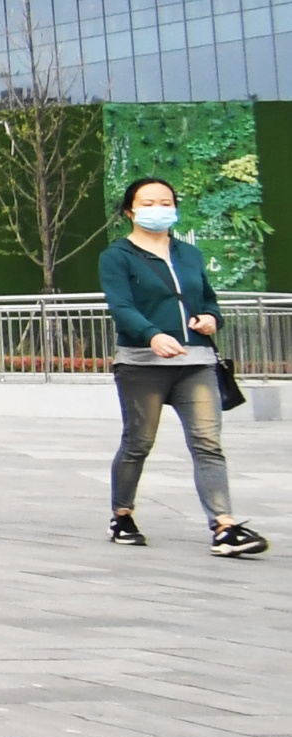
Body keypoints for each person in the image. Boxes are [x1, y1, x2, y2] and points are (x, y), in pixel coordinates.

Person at [102, 175, 266, 557]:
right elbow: (121, 306)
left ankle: (223, 526)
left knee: (208, 444)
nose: (158, 209)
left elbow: (208, 299)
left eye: (165, 202)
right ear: (130, 211)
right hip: (142, 364)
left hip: (197, 363)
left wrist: (211, 318)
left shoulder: (188, 254)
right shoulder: (117, 256)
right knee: (138, 442)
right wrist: (152, 335)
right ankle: (122, 515)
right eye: (148, 203)